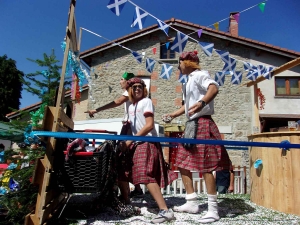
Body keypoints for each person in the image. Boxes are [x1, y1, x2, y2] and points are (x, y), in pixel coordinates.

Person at [163, 51, 232, 223]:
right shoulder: (188, 81)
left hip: (203, 123)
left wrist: (202, 103)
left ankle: (213, 210)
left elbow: (214, 88)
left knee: (206, 166)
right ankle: (191, 201)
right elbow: (188, 106)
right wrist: (173, 114)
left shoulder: (201, 74)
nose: (178, 66)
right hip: (191, 124)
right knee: (181, 163)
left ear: (187, 62)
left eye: (179, 63)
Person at [119, 77, 177, 223]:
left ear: (144, 89)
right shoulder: (131, 106)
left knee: (146, 174)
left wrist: (130, 140)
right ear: (130, 90)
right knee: (122, 169)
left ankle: (165, 211)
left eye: (140, 86)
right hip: (137, 142)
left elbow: (149, 125)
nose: (137, 89)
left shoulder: (147, 102)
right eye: (134, 87)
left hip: (147, 142)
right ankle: (126, 203)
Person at [84, 72, 143, 197]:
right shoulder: (131, 93)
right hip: (129, 128)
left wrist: (97, 109)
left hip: (130, 129)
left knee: (122, 158)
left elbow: (117, 101)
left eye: (121, 79)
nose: (119, 82)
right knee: (126, 158)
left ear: (128, 82)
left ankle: (126, 194)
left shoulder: (129, 91)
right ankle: (136, 189)